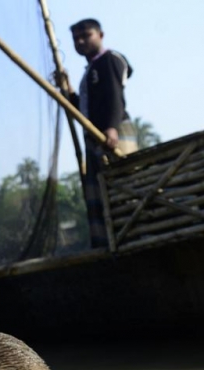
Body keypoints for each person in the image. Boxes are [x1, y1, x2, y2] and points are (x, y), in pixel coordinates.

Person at [62, 18, 138, 248]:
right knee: (100, 193)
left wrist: (112, 127)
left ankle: (131, 236)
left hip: (112, 133)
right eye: (76, 39)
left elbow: (115, 97)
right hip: (96, 136)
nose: (81, 41)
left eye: (86, 35)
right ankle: (108, 243)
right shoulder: (90, 71)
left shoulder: (109, 60)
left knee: (122, 186)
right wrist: (67, 89)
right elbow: (83, 110)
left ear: (100, 35)